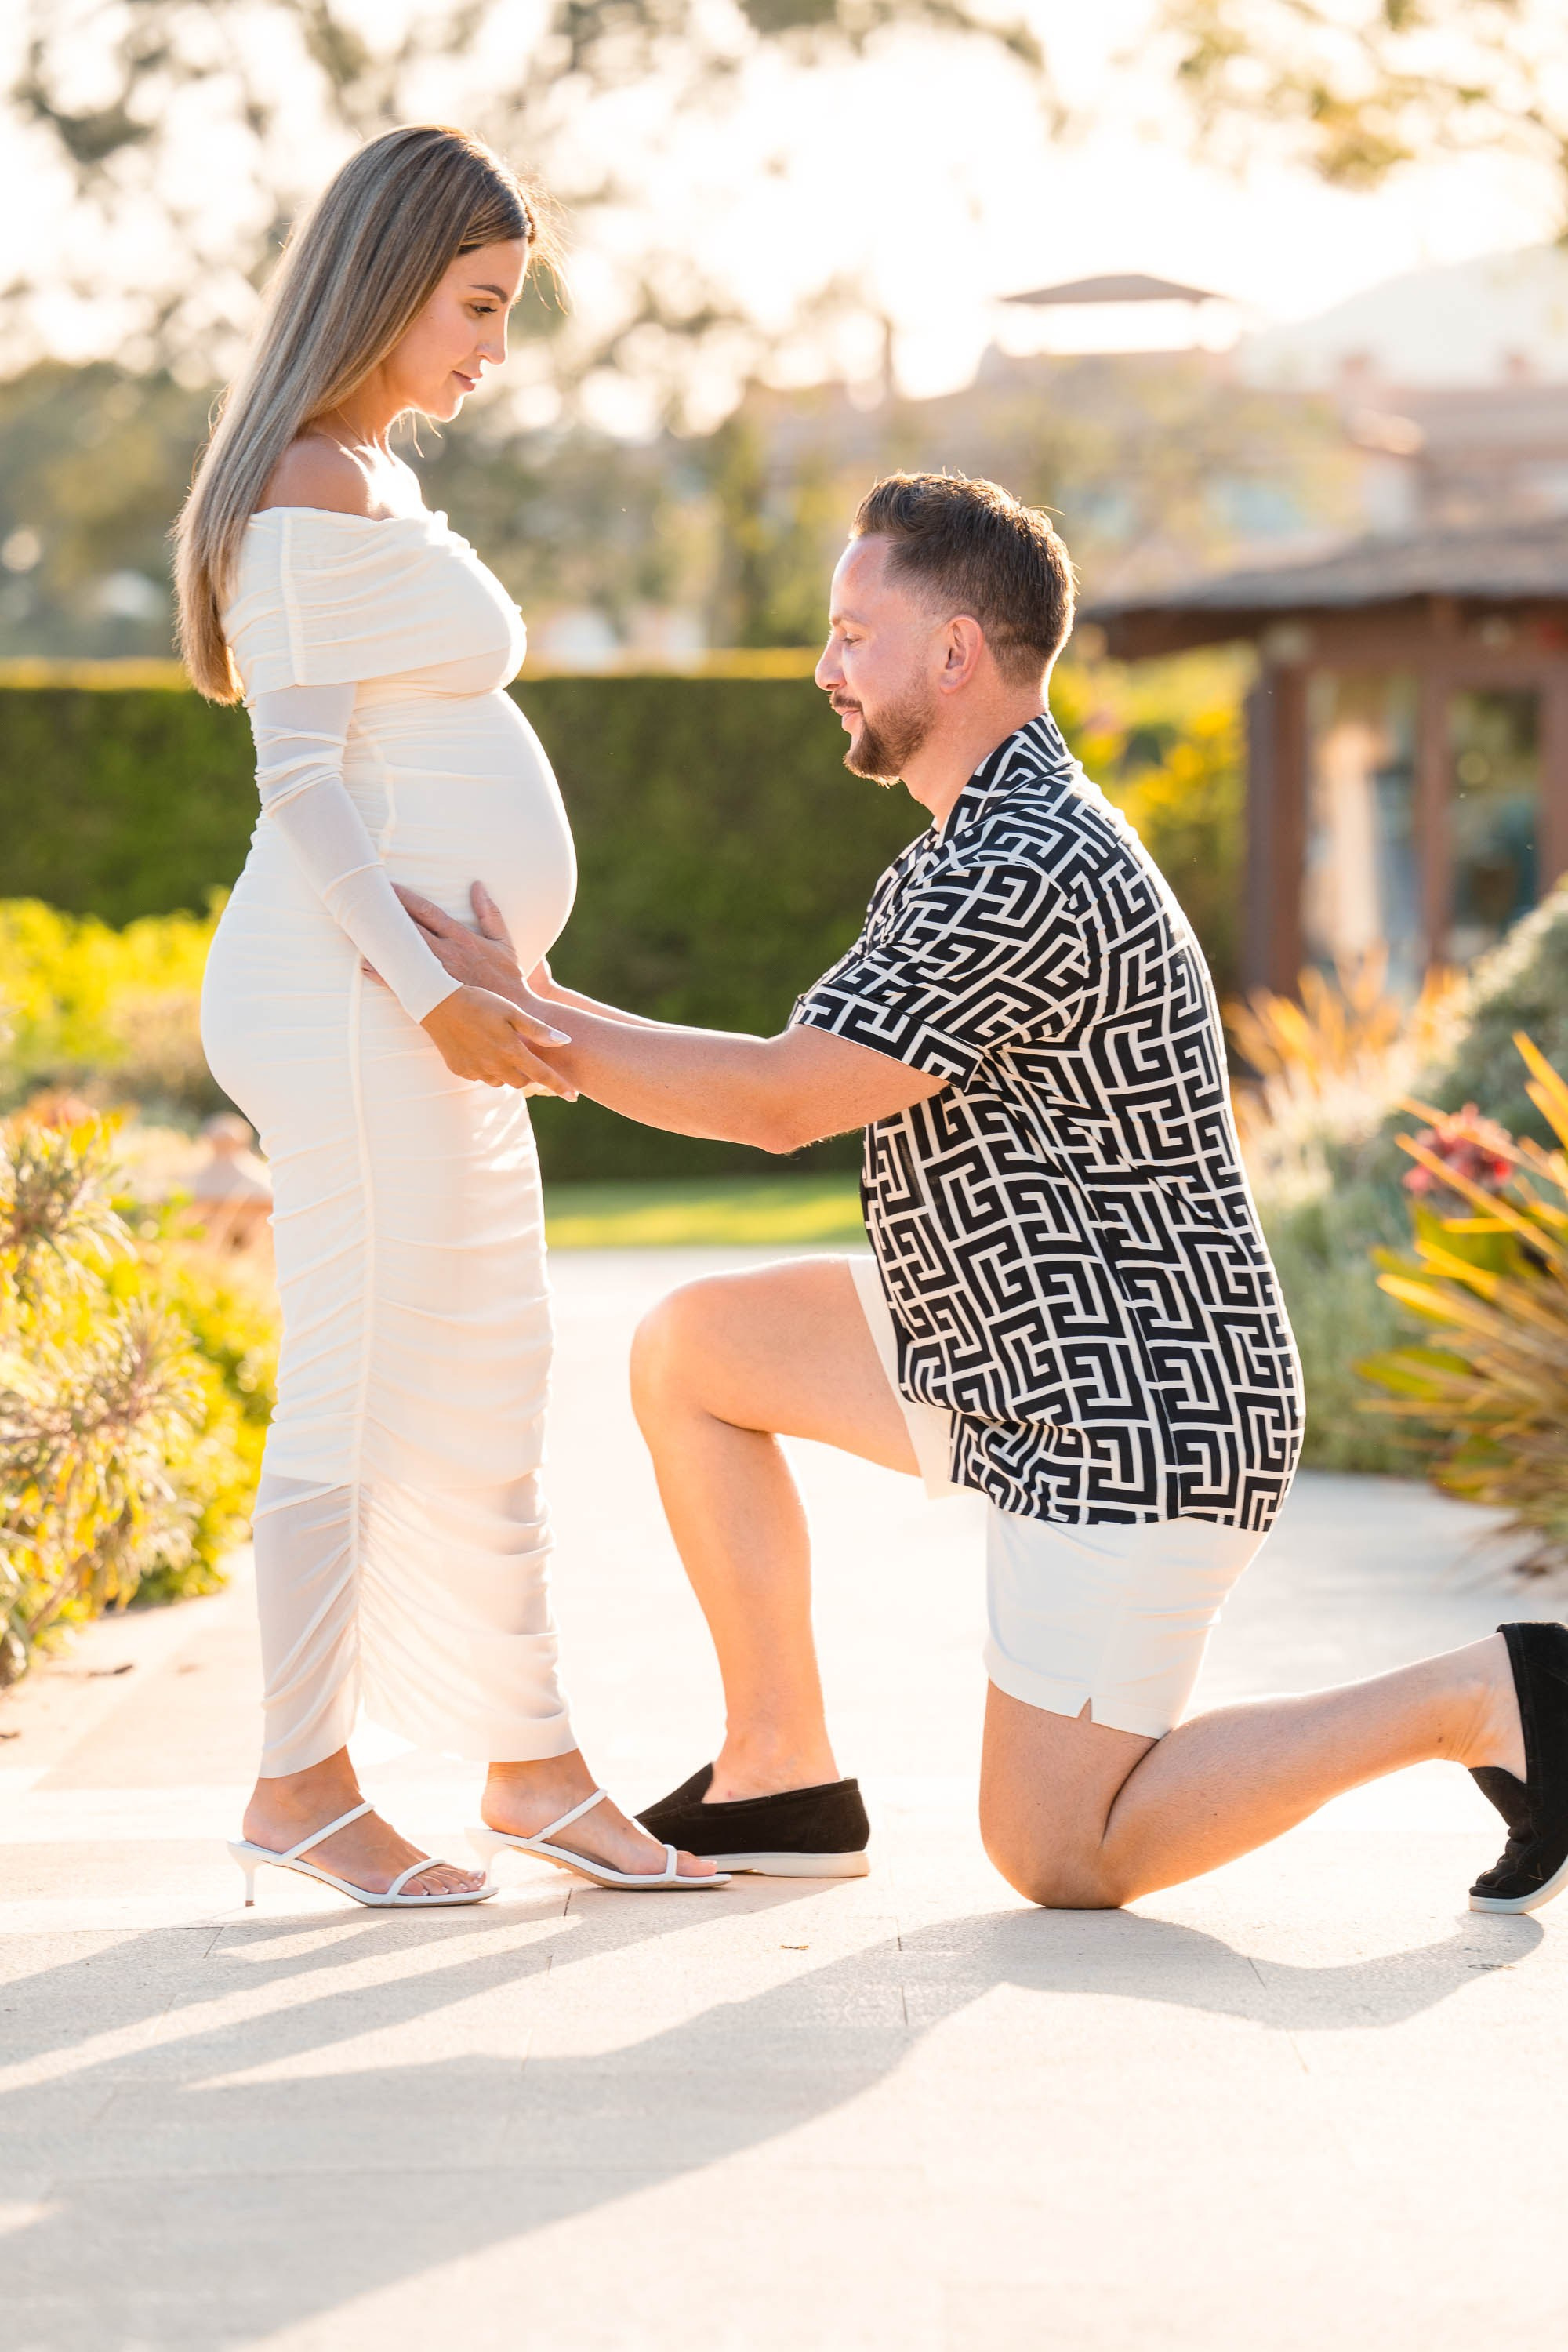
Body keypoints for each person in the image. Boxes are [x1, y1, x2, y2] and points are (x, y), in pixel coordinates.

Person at [398, 466, 1568, 1919]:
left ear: (954, 652)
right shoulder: (962, 849)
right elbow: (792, 1071)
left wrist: (524, 1024)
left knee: (1061, 1853)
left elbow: (780, 1102)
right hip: (1000, 1353)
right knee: (696, 1351)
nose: (824, 669)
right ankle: (780, 1776)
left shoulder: (1025, 864)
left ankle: (1481, 1696)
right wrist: (536, 1001)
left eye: (851, 635)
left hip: (1140, 1410)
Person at [178, 125, 721, 1904]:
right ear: (389, 281)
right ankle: (300, 1785)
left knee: (487, 1369)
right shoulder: (301, 491)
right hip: (357, 1006)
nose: (496, 346)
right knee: (351, 1385)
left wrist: (461, 997)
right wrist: (430, 1000)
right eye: (477, 305)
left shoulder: (364, 478)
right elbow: (301, 787)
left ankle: (531, 1763)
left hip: (416, 1010)